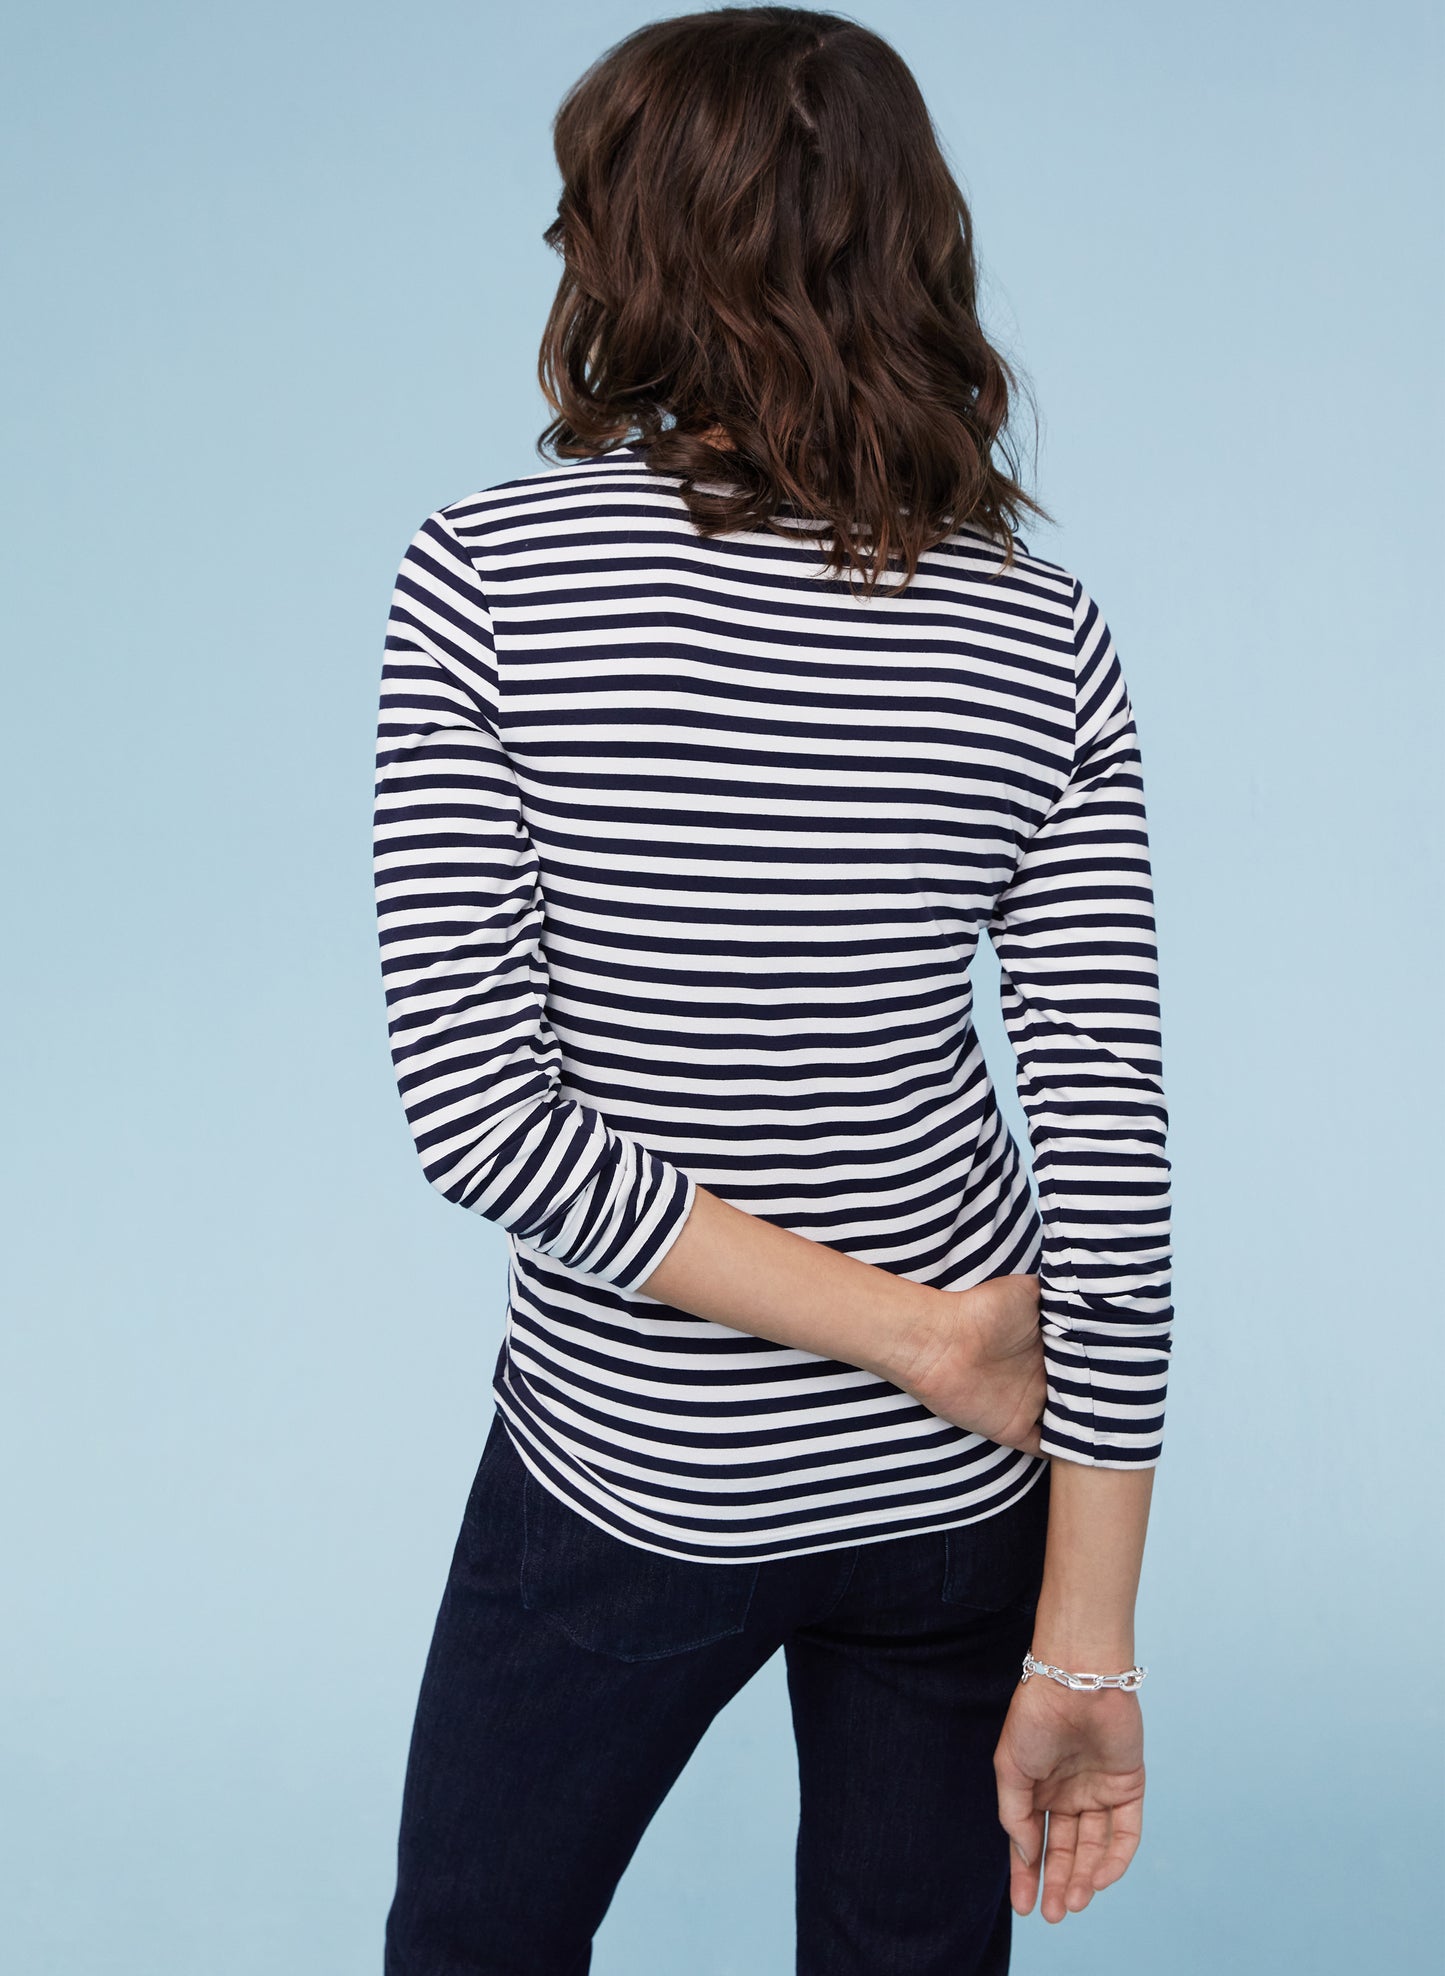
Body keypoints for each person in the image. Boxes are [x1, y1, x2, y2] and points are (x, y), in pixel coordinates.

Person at [371, 9, 1173, 1973]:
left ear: (636, 247)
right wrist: (1087, 1643)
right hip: (960, 1481)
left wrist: (923, 1343)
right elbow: (1111, 1159)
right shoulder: (1038, 622)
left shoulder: (488, 577)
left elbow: (480, 1116)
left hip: (641, 1466)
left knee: (472, 1946)